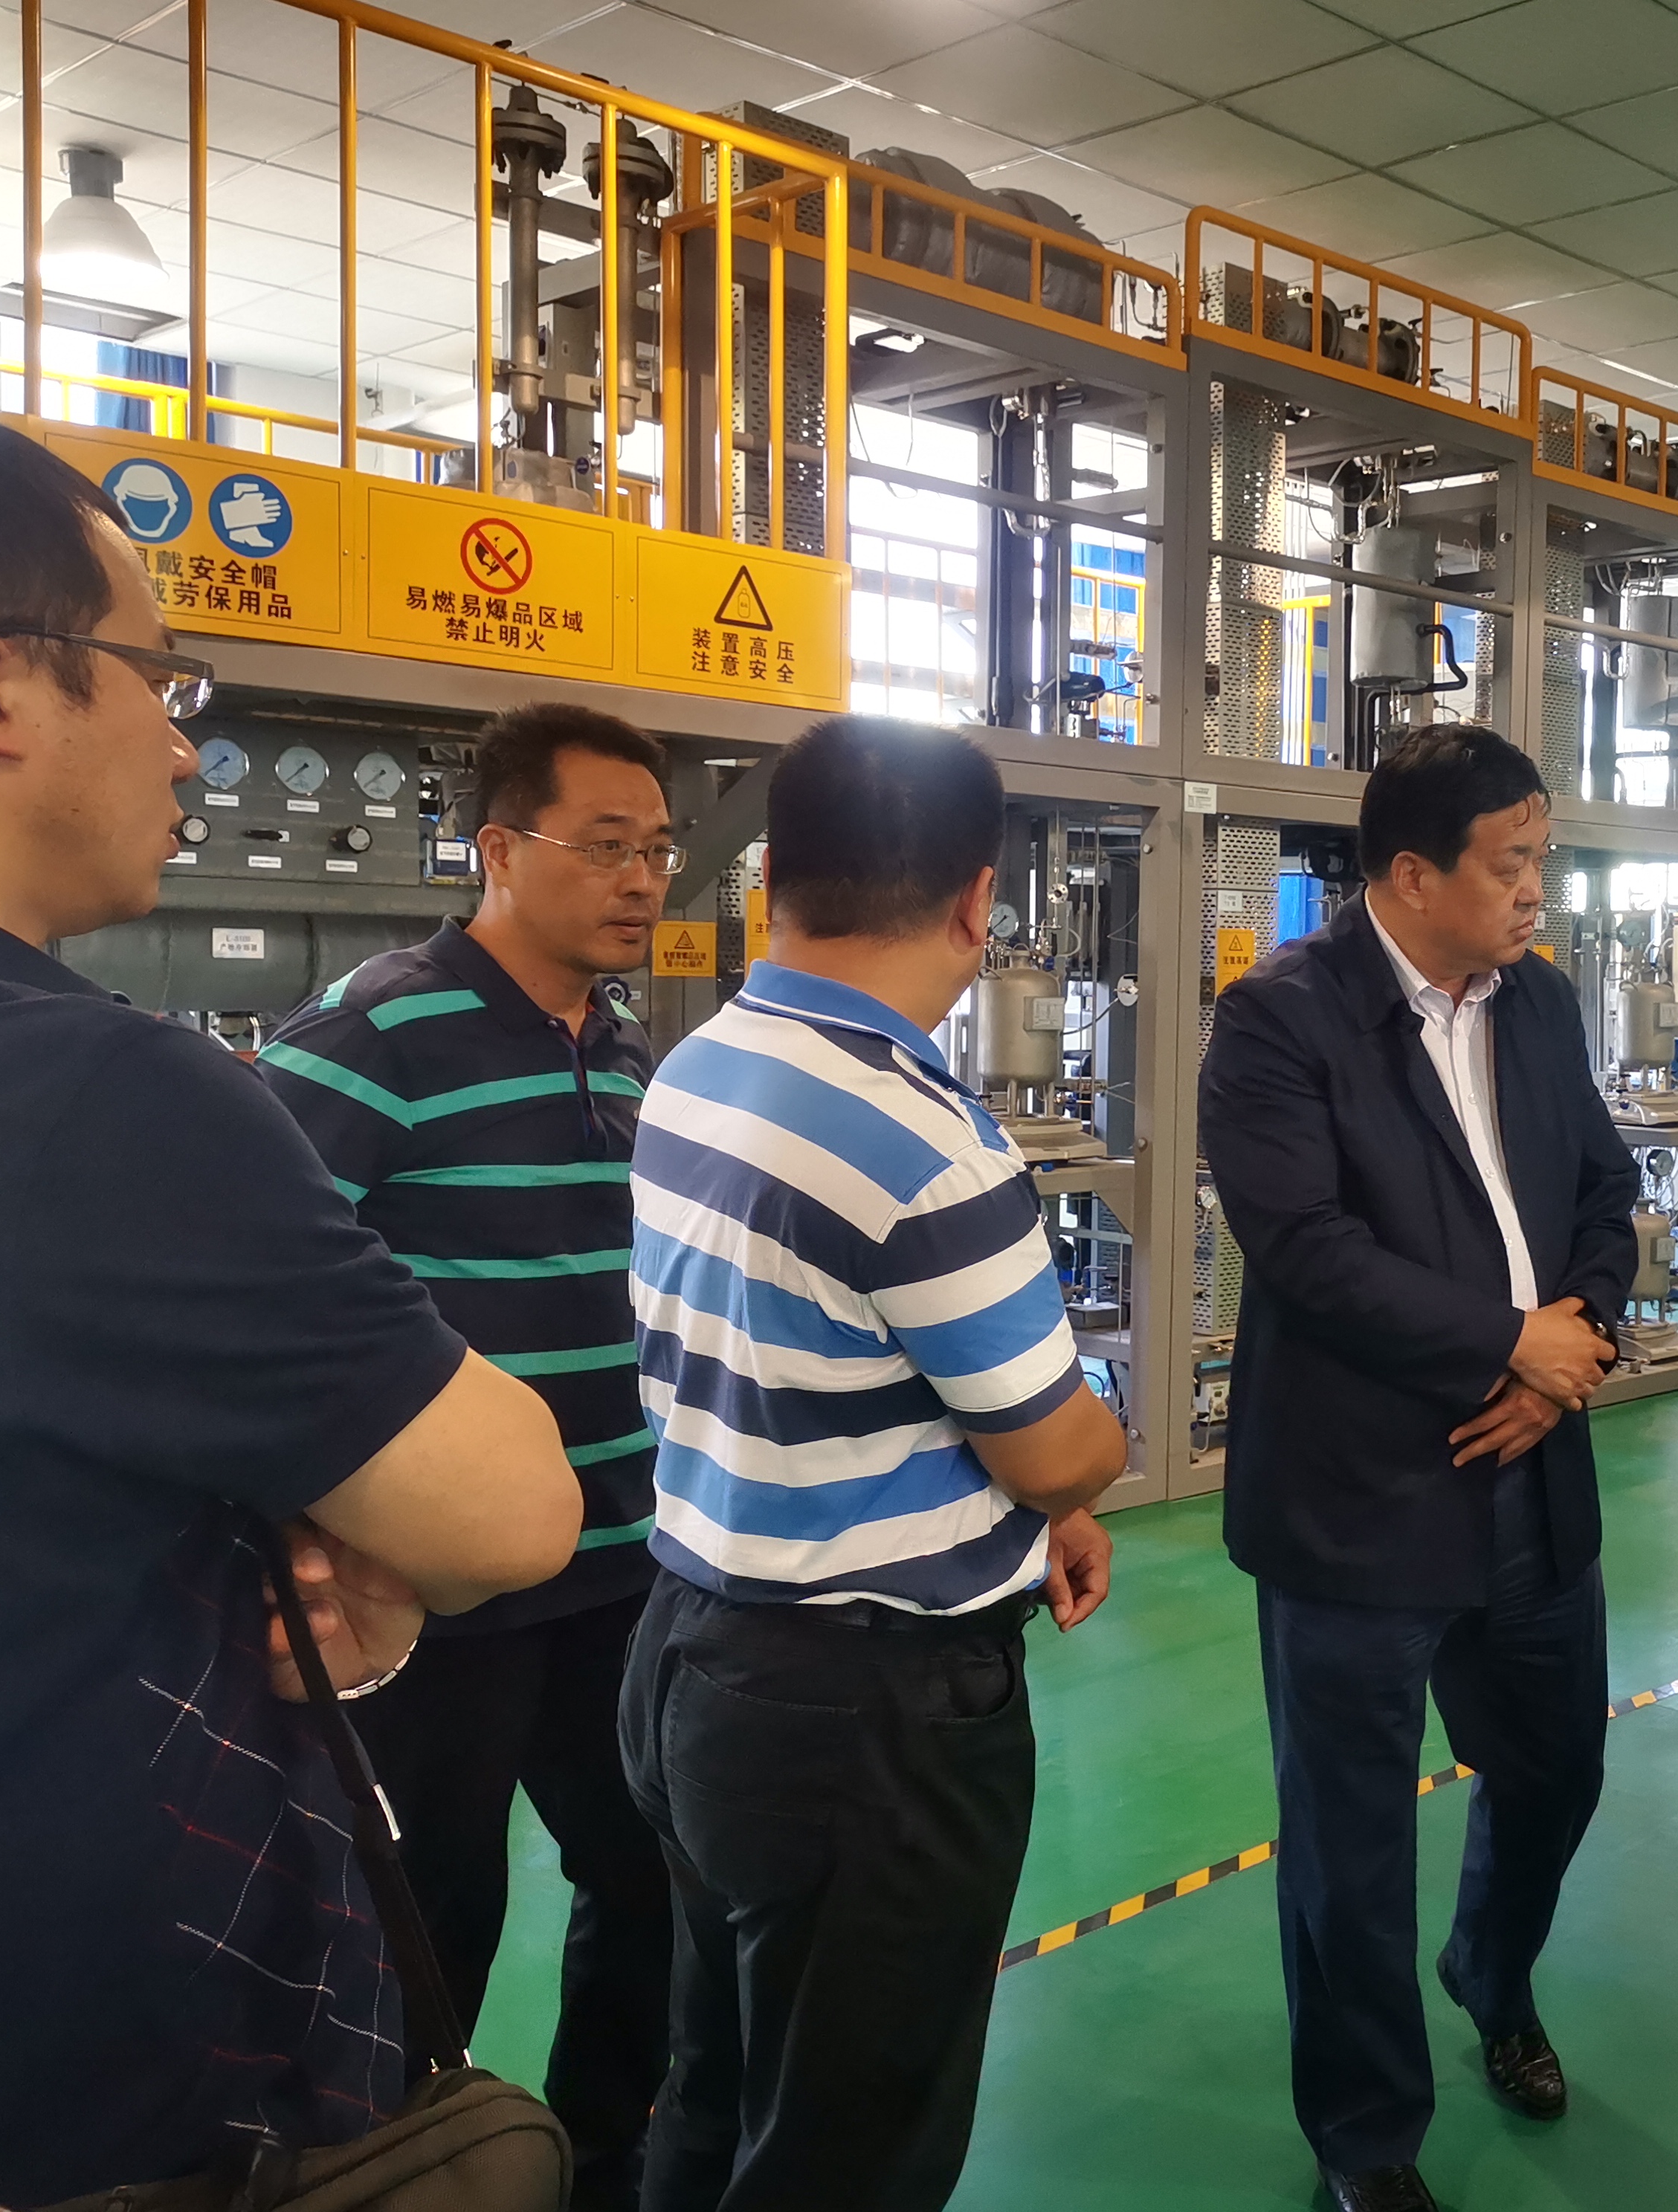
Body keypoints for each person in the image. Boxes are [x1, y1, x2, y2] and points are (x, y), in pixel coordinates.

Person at [0, 411, 579, 2202]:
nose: (182, 743)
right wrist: (311, 1528)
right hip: (82, 2097)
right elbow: (508, 1508)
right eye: (159, 678)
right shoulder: (89, 1092)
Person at [620, 716, 1129, 2212]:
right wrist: (1075, 1471)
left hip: (696, 1653)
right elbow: (1058, 1449)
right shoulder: (926, 1144)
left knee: (716, 2088)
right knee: (852, 2145)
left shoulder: (698, 1065)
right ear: (977, 901)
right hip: (863, 1723)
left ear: (775, 874)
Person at [1198, 725, 1642, 2212]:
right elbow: (1307, 1250)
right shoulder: (1280, 1020)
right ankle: (1366, 2137)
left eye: (1542, 862)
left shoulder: (1540, 1004)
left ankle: (1491, 1971)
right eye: (1512, 866)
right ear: (1408, 874)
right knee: (1350, 1844)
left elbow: (1603, 1188)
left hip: (1531, 1478)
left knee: (1556, 1769)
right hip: (1360, 1502)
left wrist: (1578, 1338)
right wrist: (1506, 1346)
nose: (1536, 893)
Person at [258, 702, 678, 2211]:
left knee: (649, 1873)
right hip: (439, 1581)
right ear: (500, 848)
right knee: (430, 1910)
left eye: (658, 851)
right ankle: (400, 2168)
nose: (643, 881)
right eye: (607, 846)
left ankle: (607, 2155)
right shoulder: (375, 1034)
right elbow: (257, 1270)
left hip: (619, 1558)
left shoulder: (624, 1052)